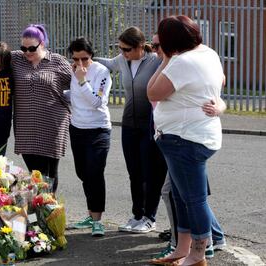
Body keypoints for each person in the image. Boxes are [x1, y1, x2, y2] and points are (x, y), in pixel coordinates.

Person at [148, 15, 226, 266]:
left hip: (185, 139)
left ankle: (198, 254)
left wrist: (165, 60)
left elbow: (152, 91)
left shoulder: (181, 62)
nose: (158, 49)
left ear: (171, 43)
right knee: (181, 196)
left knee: (193, 199)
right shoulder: (209, 54)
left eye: (162, 44)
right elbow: (221, 81)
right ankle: (182, 248)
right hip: (196, 136)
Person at [95, 27, 167, 233]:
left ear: (138, 47)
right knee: (134, 173)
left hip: (149, 125)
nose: (122, 52)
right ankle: (136, 215)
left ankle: (149, 217)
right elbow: (106, 63)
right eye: (120, 48)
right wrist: (85, 59)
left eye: (126, 49)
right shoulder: (122, 60)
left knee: (149, 173)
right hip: (128, 125)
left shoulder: (155, 61)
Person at [10, 24, 72, 193]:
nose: (27, 52)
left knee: (50, 173)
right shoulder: (16, 59)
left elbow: (78, 82)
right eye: (23, 48)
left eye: (32, 48)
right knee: (34, 174)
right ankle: (38, 209)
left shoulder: (57, 61)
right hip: (26, 127)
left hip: (52, 125)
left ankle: (49, 209)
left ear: (42, 44)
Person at [65, 37, 112, 237]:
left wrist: (83, 80)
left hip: (98, 129)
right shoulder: (71, 70)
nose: (80, 63)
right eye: (76, 59)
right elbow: (72, 95)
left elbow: (97, 102)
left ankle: (97, 220)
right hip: (77, 128)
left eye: (84, 58)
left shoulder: (101, 72)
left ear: (91, 55)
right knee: (83, 173)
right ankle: (90, 212)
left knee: (95, 172)